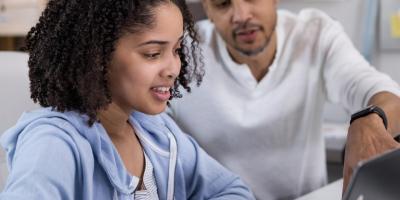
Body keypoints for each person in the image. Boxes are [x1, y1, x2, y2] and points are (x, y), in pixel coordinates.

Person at [0, 0, 256, 199]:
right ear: (98, 56)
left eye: (176, 50)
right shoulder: (53, 143)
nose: (173, 68)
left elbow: (233, 190)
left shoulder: (157, 132)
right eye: (153, 53)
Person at [167, 0, 400, 199]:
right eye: (222, 3)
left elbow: (381, 91)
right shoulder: (179, 53)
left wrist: (372, 118)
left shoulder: (315, 34)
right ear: (207, 8)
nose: (241, 15)